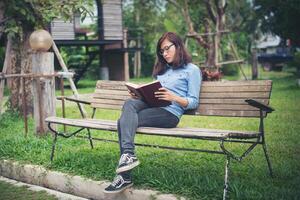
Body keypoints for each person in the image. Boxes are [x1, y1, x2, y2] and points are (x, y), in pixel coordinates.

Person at [104, 32, 202, 194]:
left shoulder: (192, 70)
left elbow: (193, 101)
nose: (164, 53)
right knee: (129, 104)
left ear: (178, 46)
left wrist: (174, 97)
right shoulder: (163, 71)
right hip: (151, 106)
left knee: (123, 122)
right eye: (161, 51)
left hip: (169, 113)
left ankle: (124, 176)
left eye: (166, 49)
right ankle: (128, 155)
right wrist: (139, 94)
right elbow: (154, 92)